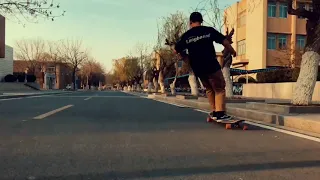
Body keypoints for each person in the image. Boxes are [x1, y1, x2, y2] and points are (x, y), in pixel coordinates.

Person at [174, 12, 236, 121]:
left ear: (190, 22)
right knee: (219, 87)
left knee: (209, 88)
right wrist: (233, 51)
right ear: (201, 21)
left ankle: (214, 111)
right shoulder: (208, 30)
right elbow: (224, 42)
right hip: (210, 64)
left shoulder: (187, 35)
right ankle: (220, 113)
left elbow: (176, 50)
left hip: (197, 68)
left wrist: (186, 58)